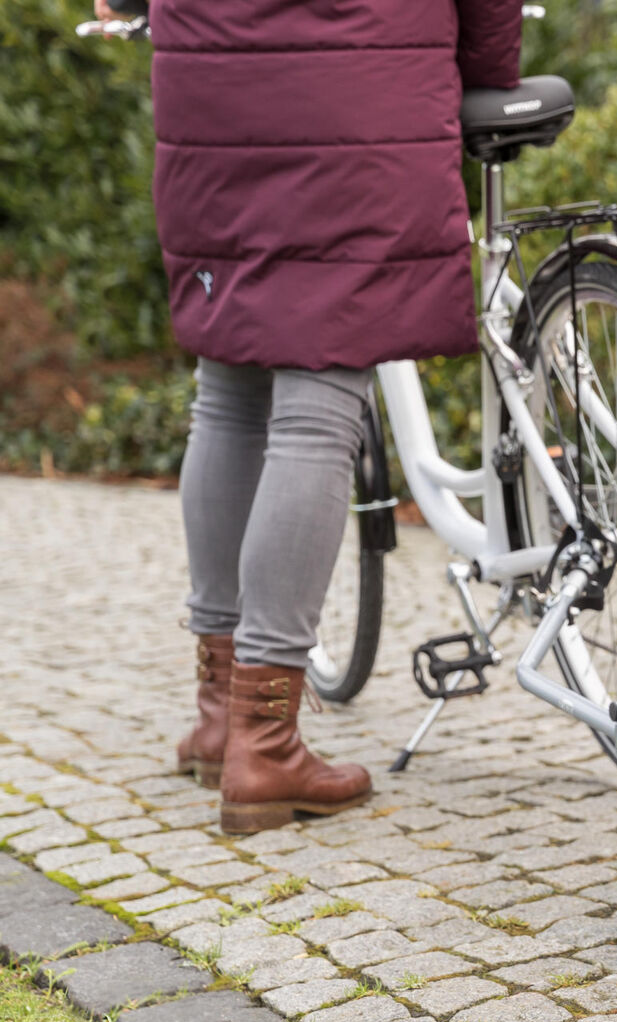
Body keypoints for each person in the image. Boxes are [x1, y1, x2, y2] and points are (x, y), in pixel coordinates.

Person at [102, 0, 524, 833]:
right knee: (320, 403)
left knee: (223, 390)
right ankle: (265, 745)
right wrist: (486, 75)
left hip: (212, 86)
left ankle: (223, 715)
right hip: (356, 91)